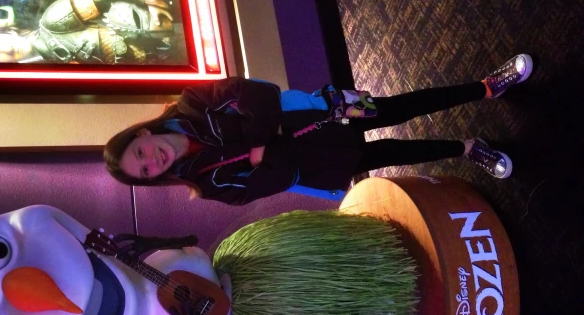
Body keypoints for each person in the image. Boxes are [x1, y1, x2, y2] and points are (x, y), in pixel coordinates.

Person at [104, 54, 533, 205]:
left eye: (140, 154)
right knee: (395, 154)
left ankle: (485, 87)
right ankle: (467, 147)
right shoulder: (206, 184)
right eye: (145, 172)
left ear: (141, 135)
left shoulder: (193, 103)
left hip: (323, 109)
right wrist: (267, 147)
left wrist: (260, 146)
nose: (152, 162)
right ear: (153, 180)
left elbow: (261, 95)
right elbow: (275, 180)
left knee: (402, 107)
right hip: (318, 163)